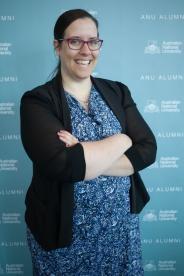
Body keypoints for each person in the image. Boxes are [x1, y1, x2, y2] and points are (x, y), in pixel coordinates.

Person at [20, 9, 157, 276]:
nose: (86, 50)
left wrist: (87, 154)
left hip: (119, 230)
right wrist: (124, 139)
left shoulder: (117, 91)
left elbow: (147, 149)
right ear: (57, 46)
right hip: (63, 236)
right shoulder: (37, 101)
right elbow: (63, 166)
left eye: (93, 41)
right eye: (75, 41)